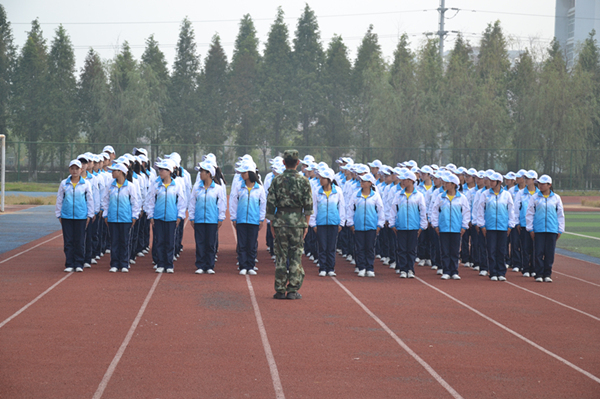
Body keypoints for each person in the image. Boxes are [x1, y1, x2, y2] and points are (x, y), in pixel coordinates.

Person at [266, 150, 314, 299]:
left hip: (280, 222)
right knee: (295, 256)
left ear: (283, 163)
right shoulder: (304, 181)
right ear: (298, 163)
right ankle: (292, 289)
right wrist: (305, 225)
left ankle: (280, 289)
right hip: (297, 223)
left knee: (280, 256)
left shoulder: (276, 180)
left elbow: (270, 205)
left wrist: (272, 224)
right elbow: (308, 206)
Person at [145, 159, 187, 274]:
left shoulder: (176, 185)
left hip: (171, 218)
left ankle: (169, 264)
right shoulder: (156, 185)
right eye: (160, 170)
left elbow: (181, 202)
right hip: (158, 218)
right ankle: (160, 263)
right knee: (159, 241)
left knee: (169, 241)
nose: (160, 172)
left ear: (169, 171)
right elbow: (151, 201)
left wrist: (180, 216)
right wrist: (151, 215)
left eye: (163, 170)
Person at [475, 172, 516, 281]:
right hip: (490, 227)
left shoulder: (506, 195)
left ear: (499, 182)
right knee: (491, 250)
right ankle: (493, 272)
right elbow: (480, 210)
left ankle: (501, 272)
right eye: (490, 180)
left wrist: (510, 225)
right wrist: (482, 225)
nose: (490, 182)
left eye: (493, 181)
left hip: (503, 227)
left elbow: (511, 211)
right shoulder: (485, 194)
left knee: (502, 250)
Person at [55, 159, 94, 273]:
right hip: (66, 216)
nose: (74, 171)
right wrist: (59, 214)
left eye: (77, 168)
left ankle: (79, 263)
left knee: (80, 240)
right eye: (72, 168)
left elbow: (90, 200)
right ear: (69, 170)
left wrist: (89, 215)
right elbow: (59, 199)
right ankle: (69, 263)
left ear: (81, 170)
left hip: (81, 217)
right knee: (68, 241)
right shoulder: (64, 183)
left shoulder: (85, 183)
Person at [188, 161, 226, 274]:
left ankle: (209, 265)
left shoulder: (218, 188)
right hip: (199, 219)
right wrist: (192, 217)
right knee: (200, 243)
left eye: (202, 171)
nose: (200, 174)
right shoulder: (196, 187)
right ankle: (200, 265)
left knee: (210, 243)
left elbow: (221, 204)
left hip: (212, 220)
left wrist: (220, 218)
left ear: (209, 173)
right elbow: (192, 203)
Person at [387, 171, 427, 278]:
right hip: (401, 226)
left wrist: (422, 226)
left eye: (405, 180)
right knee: (402, 249)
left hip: (414, 226)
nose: (403, 182)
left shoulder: (419, 196)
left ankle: (410, 269)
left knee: (412, 249)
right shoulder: (399, 195)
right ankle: (403, 269)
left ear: (411, 181)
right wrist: (392, 224)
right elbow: (393, 210)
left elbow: (422, 211)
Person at [101, 162, 140, 273]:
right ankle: (114, 263)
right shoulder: (110, 185)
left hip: (126, 218)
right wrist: (106, 214)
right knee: (114, 242)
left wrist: (134, 216)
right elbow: (105, 200)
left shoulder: (130, 186)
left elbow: (134, 202)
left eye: (114, 171)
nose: (112, 173)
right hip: (113, 218)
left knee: (124, 241)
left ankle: (124, 263)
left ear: (121, 172)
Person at [230, 159, 266, 276]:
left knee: (251, 244)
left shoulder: (259, 188)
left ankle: (251, 265)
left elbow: (263, 204)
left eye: (244, 172)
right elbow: (234, 202)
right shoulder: (239, 187)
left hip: (254, 220)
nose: (241, 174)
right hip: (241, 220)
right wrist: (234, 217)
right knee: (242, 244)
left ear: (250, 173)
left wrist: (261, 219)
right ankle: (243, 265)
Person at [430, 174, 470, 280]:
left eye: (447, 183)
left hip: (457, 229)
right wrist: (435, 225)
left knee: (455, 250)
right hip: (443, 227)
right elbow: (434, 211)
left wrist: (464, 226)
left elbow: (466, 213)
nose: (445, 184)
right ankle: (446, 270)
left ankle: (454, 271)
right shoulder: (440, 197)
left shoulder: (462, 198)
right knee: (444, 250)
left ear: (453, 185)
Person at [526, 175, 564, 283]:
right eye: (539, 183)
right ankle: (539, 273)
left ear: (549, 185)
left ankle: (547, 273)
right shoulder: (535, 198)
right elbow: (530, 213)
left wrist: (560, 229)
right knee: (538, 252)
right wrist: (530, 228)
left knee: (549, 253)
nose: (540, 186)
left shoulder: (556, 198)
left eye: (543, 184)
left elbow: (560, 215)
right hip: (539, 229)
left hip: (552, 230)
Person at [346, 173, 385, 278]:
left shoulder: (375, 196)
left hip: (371, 226)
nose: (361, 182)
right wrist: (351, 223)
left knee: (370, 247)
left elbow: (380, 211)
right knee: (360, 248)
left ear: (370, 183)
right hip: (358, 226)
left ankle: (370, 268)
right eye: (361, 181)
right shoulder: (355, 195)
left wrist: (379, 225)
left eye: (364, 181)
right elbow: (350, 210)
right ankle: (361, 267)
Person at [309, 167, 346, 277]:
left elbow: (342, 207)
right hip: (321, 223)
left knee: (331, 246)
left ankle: (331, 268)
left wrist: (341, 223)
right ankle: (323, 268)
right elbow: (313, 207)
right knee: (322, 246)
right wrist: (313, 223)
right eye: (320, 178)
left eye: (323, 178)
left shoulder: (338, 191)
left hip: (334, 223)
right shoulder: (317, 191)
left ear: (329, 179)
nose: (321, 180)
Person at [514, 170, 539, 277]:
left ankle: (534, 268)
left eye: (528, 178)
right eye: (525, 178)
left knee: (535, 248)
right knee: (525, 247)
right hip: (524, 225)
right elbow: (516, 209)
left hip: (537, 225)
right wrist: (517, 222)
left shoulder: (539, 193)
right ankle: (526, 268)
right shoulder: (520, 193)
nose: (526, 180)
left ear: (534, 180)